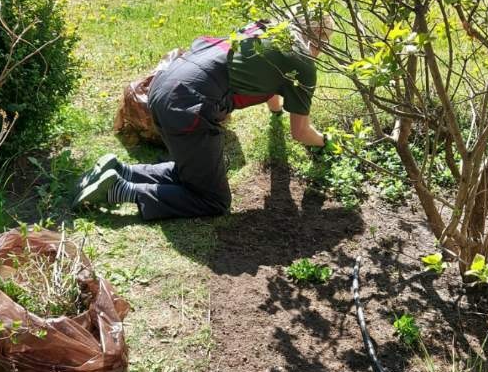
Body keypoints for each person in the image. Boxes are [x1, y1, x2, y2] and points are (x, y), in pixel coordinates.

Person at [72, 12, 334, 221]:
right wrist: (327, 142)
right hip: (189, 105)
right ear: (320, 41)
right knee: (213, 200)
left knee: (197, 173)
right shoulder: (302, 62)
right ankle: (120, 189)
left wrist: (276, 113)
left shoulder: (268, 28)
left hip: (165, 86)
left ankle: (121, 170)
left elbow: (271, 82)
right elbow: (301, 132)